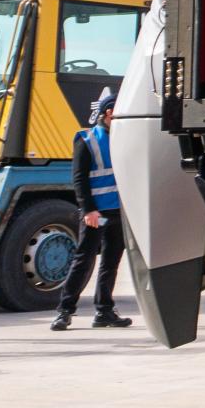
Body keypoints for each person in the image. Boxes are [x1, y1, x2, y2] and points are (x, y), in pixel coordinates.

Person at [52, 89, 130, 330]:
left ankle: (104, 310)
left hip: (118, 212)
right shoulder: (86, 140)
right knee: (83, 260)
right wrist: (88, 210)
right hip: (96, 213)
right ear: (109, 112)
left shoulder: (124, 138)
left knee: (110, 262)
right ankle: (64, 311)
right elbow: (79, 180)